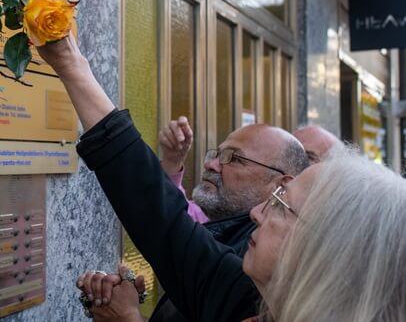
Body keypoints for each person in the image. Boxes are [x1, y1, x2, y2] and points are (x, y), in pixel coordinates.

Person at [37, 34, 406, 321]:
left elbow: (163, 220)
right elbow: (159, 217)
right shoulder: (252, 295)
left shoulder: (248, 293)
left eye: (281, 206)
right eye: (218, 153)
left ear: (329, 247)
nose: (258, 214)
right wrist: (70, 63)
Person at [79, 119, 308, 321]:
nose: (211, 164)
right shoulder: (227, 233)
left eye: (233, 158)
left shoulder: (260, 270)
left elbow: (159, 213)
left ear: (281, 186)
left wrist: (128, 318)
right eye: (217, 154)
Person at [159, 117, 208, 223]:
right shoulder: (209, 216)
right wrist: (172, 161)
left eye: (235, 159)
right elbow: (181, 214)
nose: (209, 164)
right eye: (219, 155)